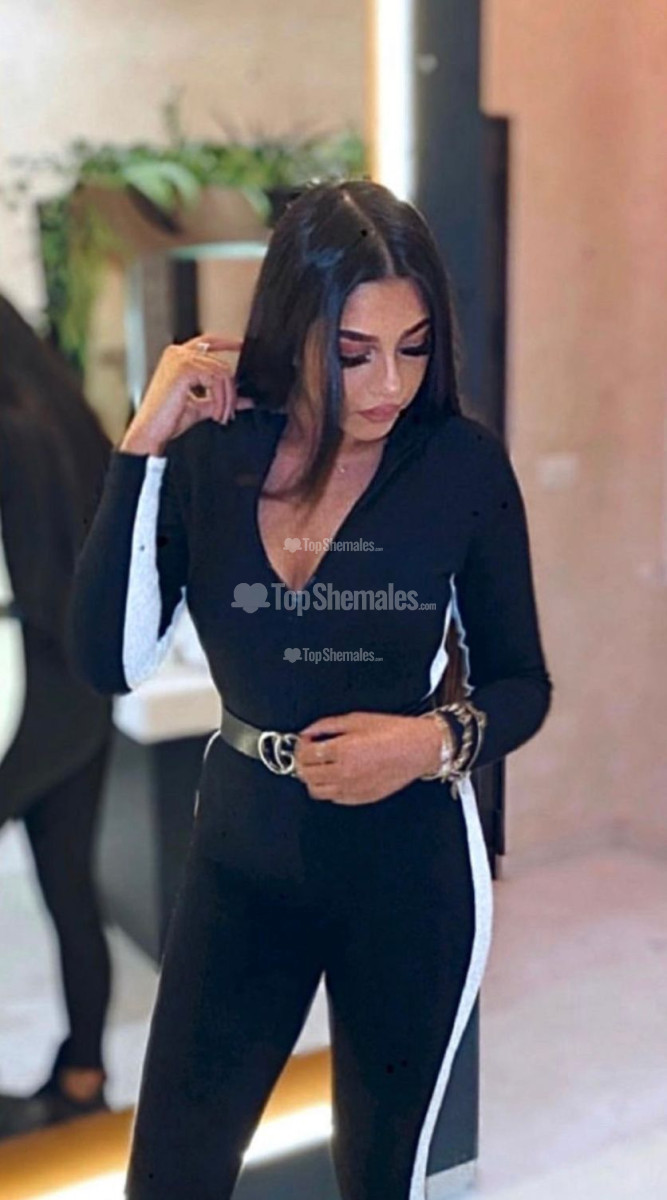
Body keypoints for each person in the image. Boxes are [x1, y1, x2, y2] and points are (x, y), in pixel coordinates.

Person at [67, 179, 553, 1200]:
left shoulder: (460, 467)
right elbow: (109, 661)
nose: (389, 385)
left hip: (410, 871)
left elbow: (522, 684)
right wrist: (142, 444)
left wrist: (424, 745)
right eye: (353, 352)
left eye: (413, 348)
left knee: (379, 1179)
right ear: (294, 333)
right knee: (170, 1178)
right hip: (242, 859)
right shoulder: (214, 449)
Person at [0, 294, 115, 1137]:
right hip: (81, 693)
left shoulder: (9, 435)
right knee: (71, 889)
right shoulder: (73, 421)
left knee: (69, 890)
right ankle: (84, 1076)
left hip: (17, 699)